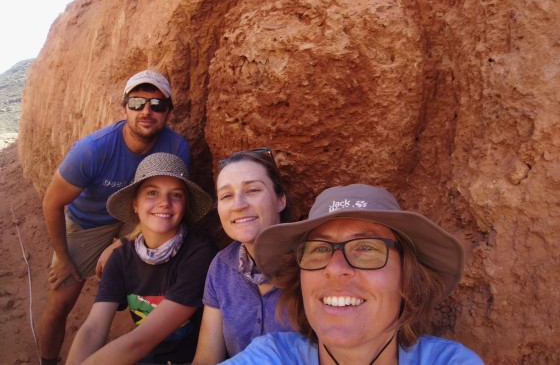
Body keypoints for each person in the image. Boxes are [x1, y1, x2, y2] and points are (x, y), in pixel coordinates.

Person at [222, 184, 484, 364]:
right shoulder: (273, 356)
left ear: (408, 278)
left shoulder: (451, 361)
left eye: (367, 248)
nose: (335, 269)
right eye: (319, 249)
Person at [39, 70, 191, 365]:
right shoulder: (92, 150)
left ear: (169, 113)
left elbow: (172, 204)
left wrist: (121, 243)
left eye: (157, 105)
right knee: (60, 301)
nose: (147, 111)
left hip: (137, 217)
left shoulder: (176, 148)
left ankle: (155, 340)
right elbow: (52, 203)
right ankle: (47, 360)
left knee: (161, 253)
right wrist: (63, 256)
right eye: (137, 102)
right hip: (88, 222)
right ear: (125, 108)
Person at [66, 152, 216, 364]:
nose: (164, 202)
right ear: (135, 205)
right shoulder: (120, 258)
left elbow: (141, 341)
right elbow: (94, 327)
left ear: (185, 206)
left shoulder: (199, 255)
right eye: (152, 193)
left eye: (176, 195)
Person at [191, 148, 295, 364]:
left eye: (253, 190)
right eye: (227, 195)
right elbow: (206, 358)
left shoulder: (313, 265)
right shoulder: (221, 267)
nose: (239, 205)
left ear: (280, 200)